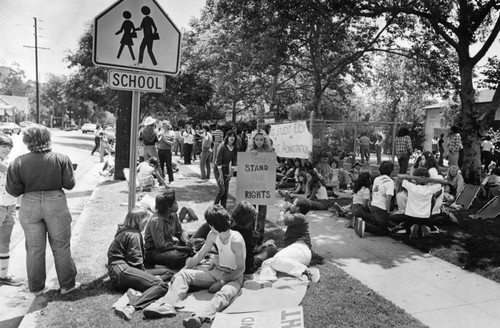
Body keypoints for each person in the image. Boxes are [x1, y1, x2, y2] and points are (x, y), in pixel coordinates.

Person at [143, 205, 246, 328]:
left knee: (224, 294)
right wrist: (181, 272)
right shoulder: (213, 235)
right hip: (217, 271)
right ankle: (168, 305)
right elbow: (200, 255)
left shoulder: (236, 240)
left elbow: (241, 269)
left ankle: (201, 316)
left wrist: (222, 282)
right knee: (183, 275)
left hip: (234, 276)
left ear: (213, 225)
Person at [6, 125, 79, 295]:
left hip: (29, 203)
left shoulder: (18, 162)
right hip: (55, 202)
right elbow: (70, 184)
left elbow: (13, 190)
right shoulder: (60, 158)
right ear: (48, 139)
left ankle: (37, 288)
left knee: (34, 248)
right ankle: (67, 286)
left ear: (27, 141)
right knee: (61, 245)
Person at [108, 208, 173, 321]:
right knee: (161, 285)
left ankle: (146, 287)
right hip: (122, 271)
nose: (145, 225)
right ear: (139, 222)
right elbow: (136, 262)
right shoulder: (134, 235)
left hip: (118, 271)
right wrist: (151, 278)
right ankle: (130, 308)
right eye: (144, 222)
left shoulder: (125, 231)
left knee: (168, 272)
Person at [244, 197, 320, 289]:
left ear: (298, 208)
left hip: (301, 249)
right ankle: (267, 281)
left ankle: (306, 271)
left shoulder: (300, 216)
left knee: (276, 260)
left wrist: (283, 209)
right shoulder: (298, 217)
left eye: (293, 203)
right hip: (299, 252)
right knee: (268, 262)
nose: (290, 205)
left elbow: (279, 221)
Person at [144, 190, 193, 270]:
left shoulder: (173, 215)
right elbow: (160, 247)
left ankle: (188, 255)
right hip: (155, 251)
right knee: (177, 258)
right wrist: (182, 248)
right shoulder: (157, 220)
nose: (177, 204)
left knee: (199, 241)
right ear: (168, 207)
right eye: (175, 202)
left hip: (170, 246)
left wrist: (185, 238)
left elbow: (179, 231)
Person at [230, 201, 277, 274]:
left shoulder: (226, 229)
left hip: (230, 264)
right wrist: (261, 247)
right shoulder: (253, 235)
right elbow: (250, 253)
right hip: (247, 267)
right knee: (272, 248)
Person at [0, 135, 22, 286]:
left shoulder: (10, 162)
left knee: (4, 242)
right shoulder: (8, 165)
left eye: (9, 147)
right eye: (4, 146)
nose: (7, 150)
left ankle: (3, 275)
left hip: (10, 206)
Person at [247, 130, 274, 245]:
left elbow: (272, 166)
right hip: (253, 185)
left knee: (262, 212)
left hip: (264, 185)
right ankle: (250, 232)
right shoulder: (250, 150)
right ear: (253, 140)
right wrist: (250, 154)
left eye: (261, 140)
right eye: (257, 139)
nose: (259, 142)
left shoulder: (268, 151)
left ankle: (260, 234)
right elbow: (245, 165)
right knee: (251, 210)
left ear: (264, 140)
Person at [355, 161, 395, 238]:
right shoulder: (390, 182)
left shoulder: (377, 179)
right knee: (384, 231)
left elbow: (374, 191)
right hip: (381, 208)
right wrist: (388, 211)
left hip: (374, 205)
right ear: (391, 171)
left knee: (378, 223)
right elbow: (388, 198)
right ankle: (365, 226)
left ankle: (363, 222)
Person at [214, 130, 237, 208]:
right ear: (227, 137)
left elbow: (234, 162)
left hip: (226, 169)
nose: (232, 138)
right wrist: (220, 174)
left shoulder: (235, 149)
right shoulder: (222, 147)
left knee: (226, 192)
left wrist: (231, 173)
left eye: (233, 136)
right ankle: (214, 208)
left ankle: (223, 210)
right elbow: (218, 161)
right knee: (222, 190)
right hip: (218, 169)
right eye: (230, 136)